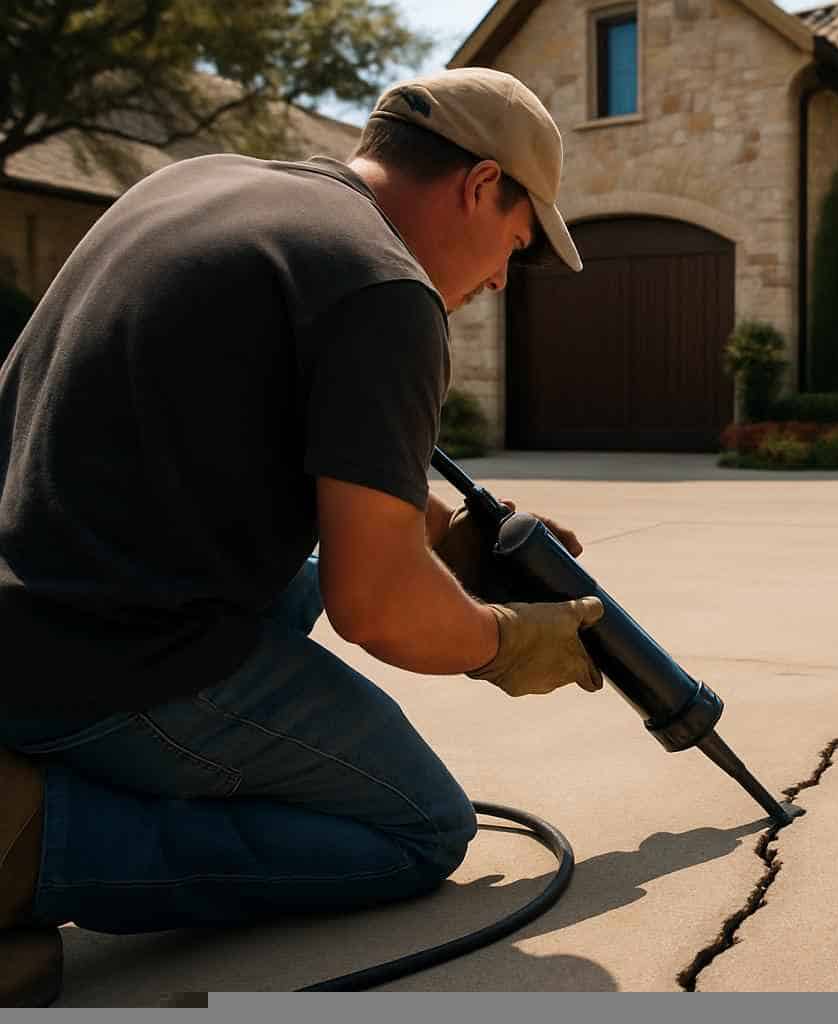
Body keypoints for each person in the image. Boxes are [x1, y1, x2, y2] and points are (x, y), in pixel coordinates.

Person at [0, 68, 605, 1007]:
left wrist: (449, 538)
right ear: (481, 184)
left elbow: (280, 449)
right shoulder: (384, 288)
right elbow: (379, 608)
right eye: (514, 247)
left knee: (304, 575)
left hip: (32, 602)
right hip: (102, 656)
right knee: (421, 830)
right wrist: (507, 643)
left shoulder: (200, 186)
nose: (497, 279)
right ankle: (35, 844)